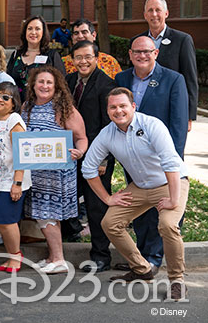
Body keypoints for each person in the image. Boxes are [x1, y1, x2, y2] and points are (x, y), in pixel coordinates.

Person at [82, 88, 190, 301]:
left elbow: (170, 162)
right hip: (140, 187)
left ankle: (177, 281)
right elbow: (88, 168)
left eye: (123, 106)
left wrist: (174, 199)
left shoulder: (152, 125)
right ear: (108, 110)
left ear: (133, 106)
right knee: (110, 223)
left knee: (167, 225)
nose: (118, 111)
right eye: (113, 107)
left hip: (170, 184)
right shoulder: (107, 134)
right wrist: (107, 198)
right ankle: (142, 269)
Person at [113, 35, 188, 274]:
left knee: (161, 209)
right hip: (133, 158)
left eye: (147, 51)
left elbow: (178, 123)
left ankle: (155, 259)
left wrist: (173, 161)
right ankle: (142, 256)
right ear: (131, 54)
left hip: (162, 160)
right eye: (137, 52)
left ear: (155, 53)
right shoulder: (122, 78)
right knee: (139, 209)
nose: (142, 56)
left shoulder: (173, 79)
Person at [21, 66, 88, 274]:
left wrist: (80, 152)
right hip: (36, 173)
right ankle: (52, 256)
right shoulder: (26, 107)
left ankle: (59, 259)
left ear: (56, 86)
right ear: (33, 85)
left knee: (49, 214)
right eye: (40, 82)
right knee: (42, 215)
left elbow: (82, 138)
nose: (44, 86)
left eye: (49, 82)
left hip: (57, 174)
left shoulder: (64, 108)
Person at [66, 41, 116, 272]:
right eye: (78, 57)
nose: (83, 61)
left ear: (97, 57)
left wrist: (103, 160)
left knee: (96, 206)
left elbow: (110, 125)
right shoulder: (69, 81)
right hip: (72, 153)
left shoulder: (105, 84)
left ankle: (101, 256)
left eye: (87, 57)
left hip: (97, 157)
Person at [0, 82, 30, 273]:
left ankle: (15, 257)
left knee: (7, 222)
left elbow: (22, 153)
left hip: (11, 180)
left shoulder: (15, 120)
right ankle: (11, 257)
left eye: (5, 97)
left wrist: (17, 183)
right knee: (1, 222)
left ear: (14, 103)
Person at [137, 0, 198, 131]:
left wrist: (189, 115)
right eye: (150, 10)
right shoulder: (137, 41)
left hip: (171, 107)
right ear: (145, 15)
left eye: (158, 10)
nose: (154, 14)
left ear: (166, 13)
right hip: (143, 109)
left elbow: (190, 78)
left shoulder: (182, 40)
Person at [6, 16, 67, 95]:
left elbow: (62, 83)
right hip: (17, 105)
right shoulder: (16, 54)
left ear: (43, 32)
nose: (33, 32)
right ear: (25, 32)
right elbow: (8, 81)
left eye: (37, 29)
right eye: (30, 29)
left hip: (43, 105)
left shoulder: (51, 55)